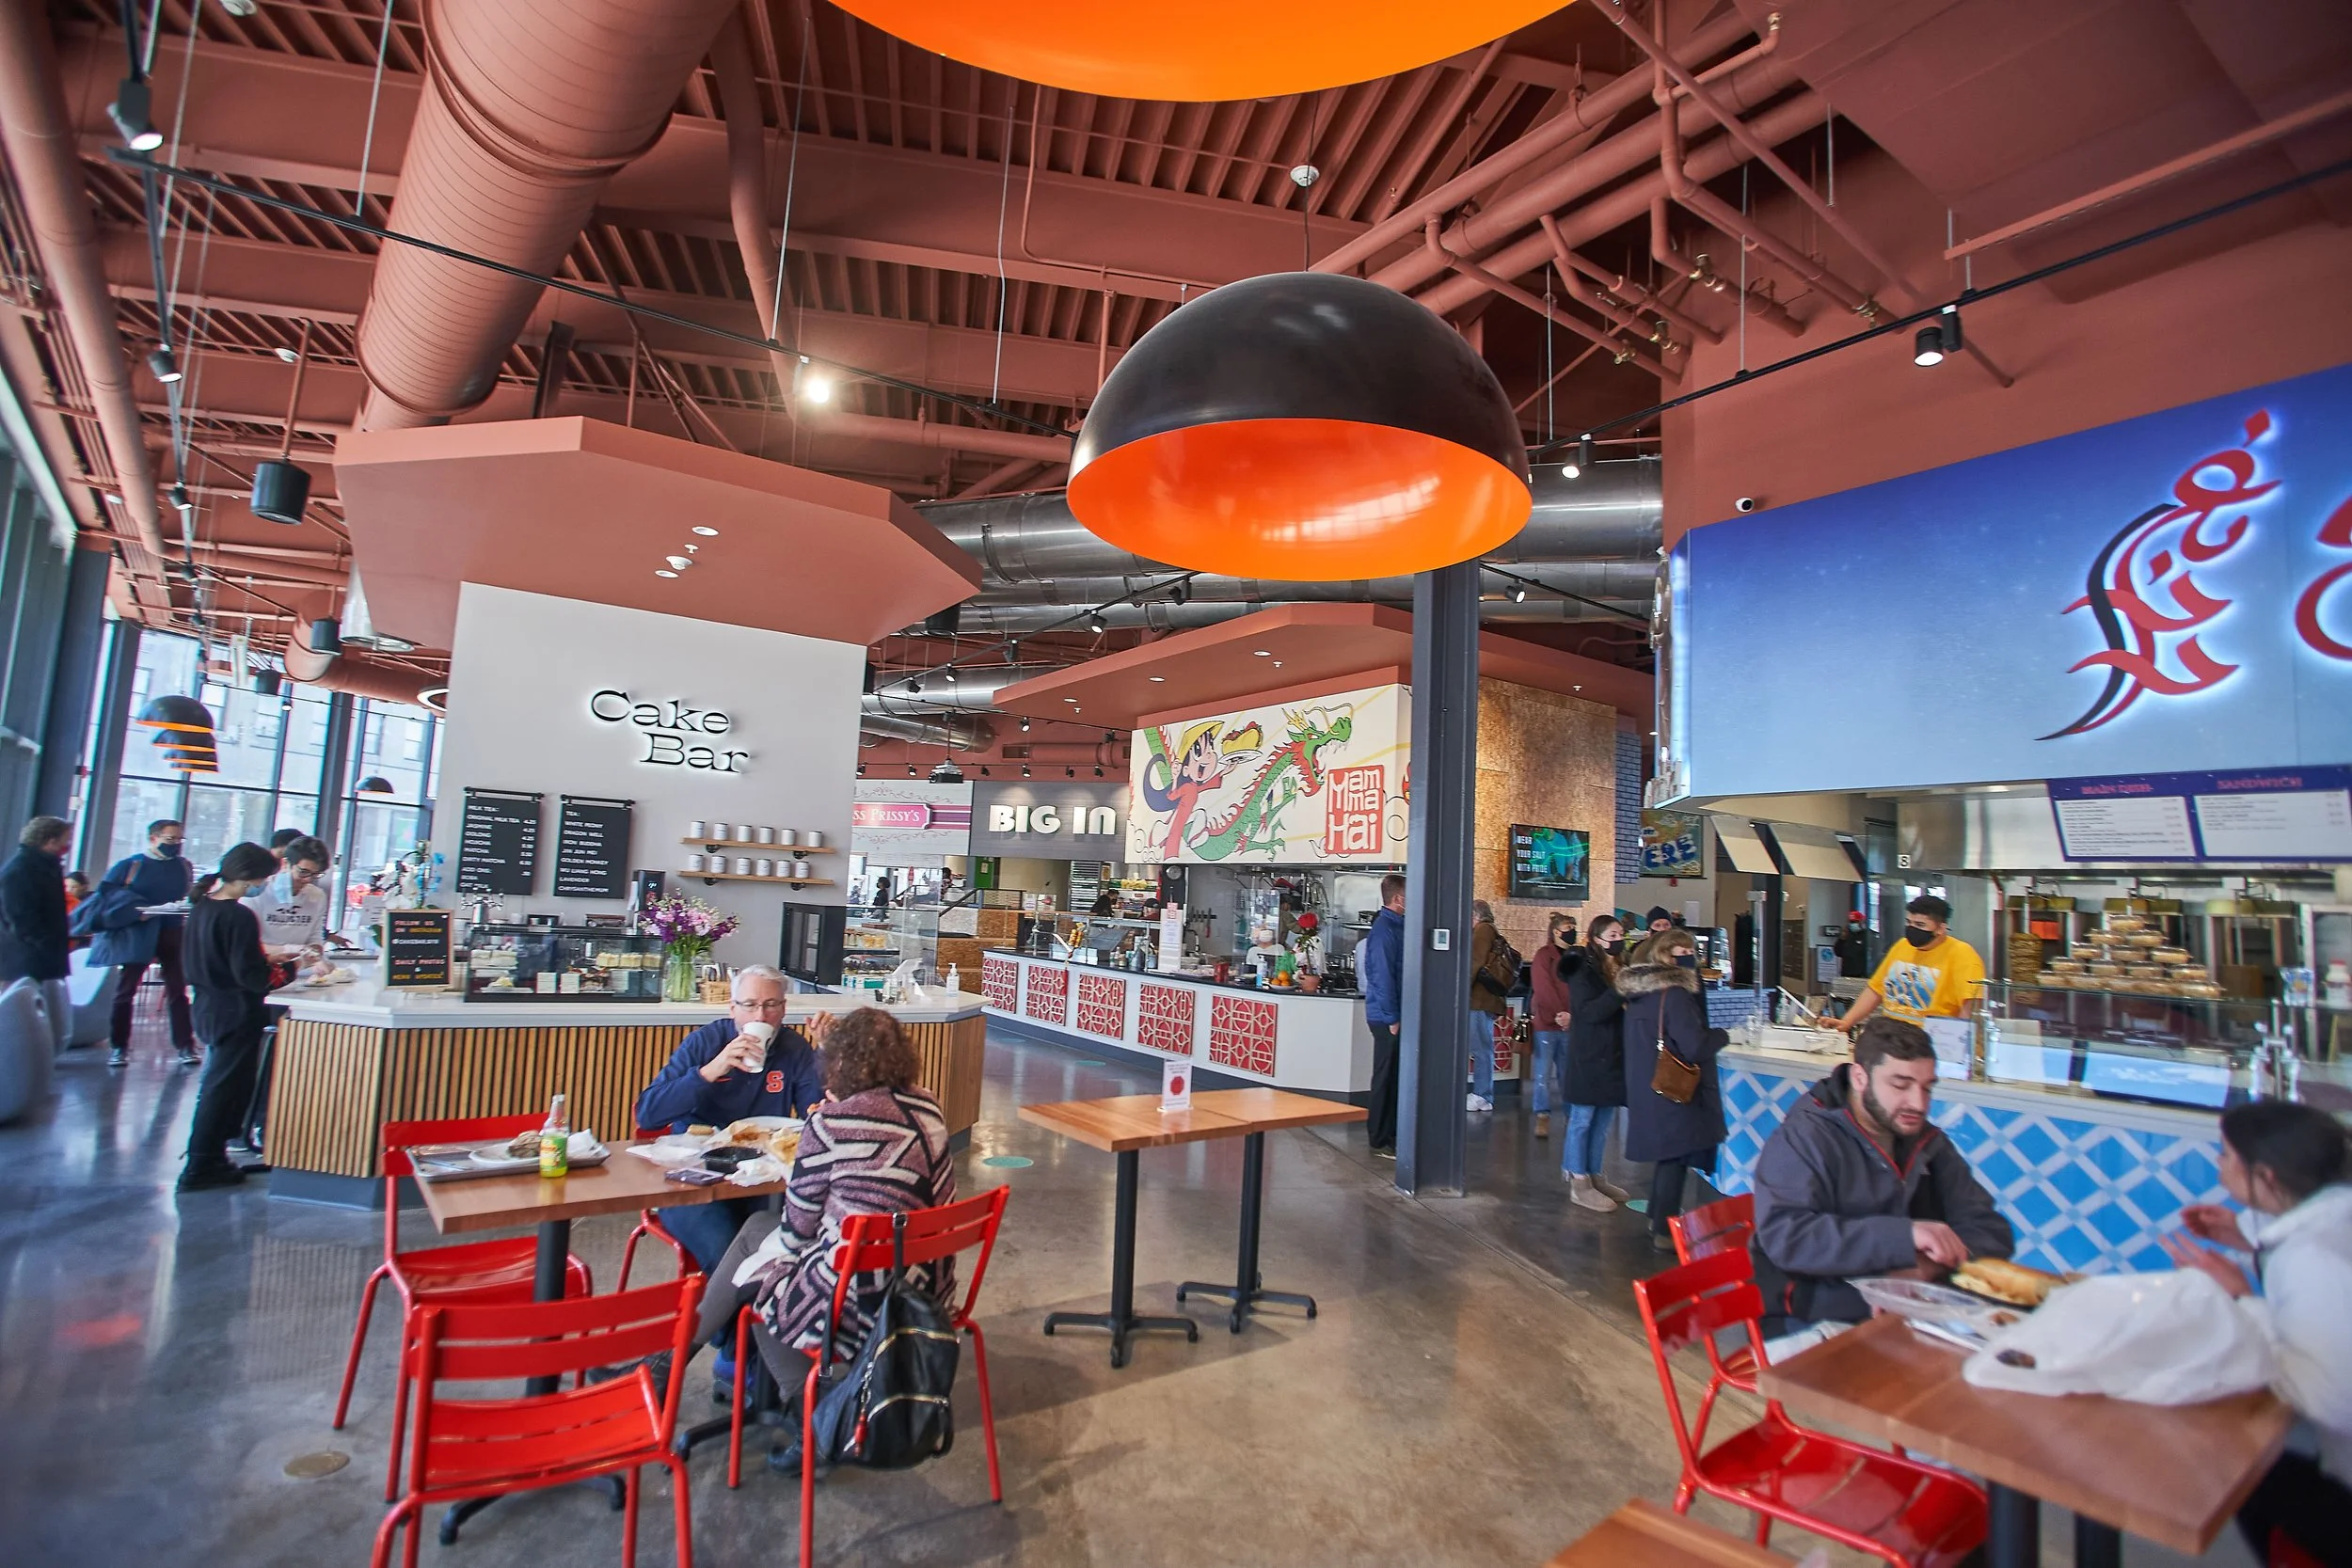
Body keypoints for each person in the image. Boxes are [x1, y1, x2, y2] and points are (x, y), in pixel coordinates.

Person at [665, 1008, 956, 1453]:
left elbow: (797, 1233)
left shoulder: (831, 1125)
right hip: (926, 1289)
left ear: (836, 1062)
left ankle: (811, 1416)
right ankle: (677, 1359)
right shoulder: (929, 1106)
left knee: (760, 1272)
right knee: (757, 1232)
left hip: (864, 1301)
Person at [2163, 1101, 2351, 1567]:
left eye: (2225, 1154)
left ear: (2265, 1177)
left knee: (2231, 1462)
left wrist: (2240, 1299)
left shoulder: (2313, 1260)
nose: (2219, 1164)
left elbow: (2328, 1402)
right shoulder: (2335, 1214)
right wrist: (2247, 1235)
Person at [1751, 1017, 2014, 1333]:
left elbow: (1991, 1229)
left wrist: (1920, 1270)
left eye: (1927, 1088)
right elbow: (1790, 1239)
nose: (1918, 1103)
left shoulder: (1927, 1141)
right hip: (1813, 1317)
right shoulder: (1804, 1138)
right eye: (1900, 1085)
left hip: (1914, 1313)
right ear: (1860, 1077)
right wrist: (1904, 1237)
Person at [634, 964, 825, 1276]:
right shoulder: (704, 1044)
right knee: (729, 1254)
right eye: (749, 1005)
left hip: (763, 1179)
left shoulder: (794, 1049)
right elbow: (648, 1113)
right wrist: (711, 1070)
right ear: (732, 1008)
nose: (760, 1017)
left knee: (790, 1249)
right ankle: (727, 1325)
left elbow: (814, 1117)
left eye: (771, 1005)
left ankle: (761, 1320)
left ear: (783, 1009)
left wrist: (827, 1052)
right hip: (694, 1180)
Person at [177, 843, 281, 1191]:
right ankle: (201, 1163)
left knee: (217, 1084)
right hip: (235, 1011)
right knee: (223, 1089)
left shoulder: (202, 907)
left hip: (207, 1007)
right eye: (264, 878)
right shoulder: (238, 916)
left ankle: (210, 1155)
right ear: (251, 878)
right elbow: (249, 976)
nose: (264, 884)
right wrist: (287, 969)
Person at [1616, 927, 1725, 1251]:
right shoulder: (1675, 994)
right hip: (1675, 1090)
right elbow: (1694, 1045)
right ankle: (1665, 1230)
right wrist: (1721, 1036)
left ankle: (1657, 1217)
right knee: (1676, 1157)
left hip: (1648, 1087)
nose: (1687, 956)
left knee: (1668, 1157)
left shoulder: (1639, 995)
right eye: (1679, 951)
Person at [92, 819, 199, 1068]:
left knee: (178, 991)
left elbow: (187, 894)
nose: (175, 844)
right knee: (126, 990)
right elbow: (108, 897)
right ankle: (119, 1046)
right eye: (170, 839)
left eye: (179, 839)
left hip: (171, 929)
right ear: (154, 838)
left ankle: (185, 1045)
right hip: (139, 931)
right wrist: (140, 910)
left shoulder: (182, 866)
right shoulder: (130, 865)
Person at [1822, 893, 1984, 1037]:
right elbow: (1876, 990)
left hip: (1931, 1042)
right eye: (1909, 922)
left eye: (1920, 925)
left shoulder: (1962, 954)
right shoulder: (1902, 946)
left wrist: (1962, 1048)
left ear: (1941, 928)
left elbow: (1970, 1007)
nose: (1912, 929)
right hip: (1892, 1038)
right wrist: (1847, 1022)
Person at [1562, 913, 1634, 1212]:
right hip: (1589, 1055)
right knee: (1583, 1119)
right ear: (1595, 939)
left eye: (1620, 934)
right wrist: (1619, 991)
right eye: (1612, 935)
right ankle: (1578, 1180)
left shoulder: (1620, 967)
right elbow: (1588, 1012)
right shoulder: (1583, 969)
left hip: (1615, 1054)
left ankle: (1595, 1174)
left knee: (1604, 1121)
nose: (1617, 940)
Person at [1360, 873, 1406, 1159]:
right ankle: (1379, 1138)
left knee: (1394, 1077)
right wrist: (1392, 1018)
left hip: (1393, 1013)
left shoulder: (1397, 927)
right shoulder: (1384, 931)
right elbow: (1382, 976)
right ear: (1398, 899)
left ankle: (1391, 1134)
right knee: (1385, 1078)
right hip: (1386, 1017)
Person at [0, 816, 73, 989]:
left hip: (43, 960)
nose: (68, 844)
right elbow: (21, 919)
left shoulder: (44, 867)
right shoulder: (21, 870)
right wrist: (47, 945)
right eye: (66, 839)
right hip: (27, 962)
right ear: (50, 841)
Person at [1526, 912, 1578, 1139]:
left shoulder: (1577, 956)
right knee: (1542, 1074)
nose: (1572, 931)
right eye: (1568, 927)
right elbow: (1543, 988)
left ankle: (1570, 1112)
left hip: (1570, 1023)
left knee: (1569, 1074)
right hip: (1548, 1023)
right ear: (1556, 931)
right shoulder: (1543, 956)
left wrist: (1572, 1015)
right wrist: (1561, 1013)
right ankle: (1542, 1114)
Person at [251, 836, 334, 962]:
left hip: (299, 970)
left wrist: (315, 955)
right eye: (303, 872)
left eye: (315, 874)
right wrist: (294, 949)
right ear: (286, 864)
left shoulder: (317, 896)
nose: (308, 879)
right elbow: (248, 946)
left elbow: (315, 937)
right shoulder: (259, 893)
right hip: (261, 966)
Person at [1465, 900, 1509, 1113]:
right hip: (1486, 999)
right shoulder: (1491, 930)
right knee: (1482, 1047)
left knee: (1481, 1048)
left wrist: (1460, 987)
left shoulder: (1483, 930)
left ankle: (1482, 1094)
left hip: (1479, 1000)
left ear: (1475, 915)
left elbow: (1475, 961)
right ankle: (1483, 1094)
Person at [1834, 911, 1873, 979]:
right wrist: (1842, 938)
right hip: (1847, 974)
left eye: (1855, 922)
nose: (1853, 924)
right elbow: (1838, 952)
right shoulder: (1847, 934)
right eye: (1851, 922)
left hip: (1862, 975)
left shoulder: (1868, 936)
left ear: (1861, 921)